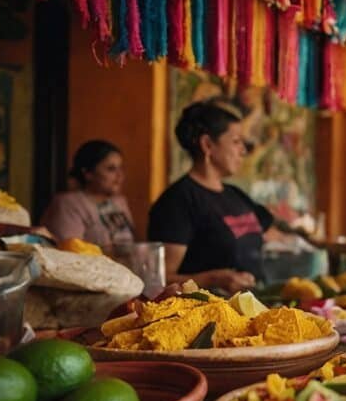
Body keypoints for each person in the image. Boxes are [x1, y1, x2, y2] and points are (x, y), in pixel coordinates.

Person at [148, 99, 275, 294]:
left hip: (254, 308)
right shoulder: (178, 201)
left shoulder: (235, 195)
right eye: (235, 141)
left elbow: (269, 232)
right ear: (207, 145)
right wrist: (214, 279)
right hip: (208, 316)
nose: (243, 150)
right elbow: (160, 279)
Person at [41, 140, 136, 247]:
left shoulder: (119, 202)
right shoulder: (68, 204)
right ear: (88, 173)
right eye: (111, 169)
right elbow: (70, 250)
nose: (120, 175)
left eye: (121, 168)